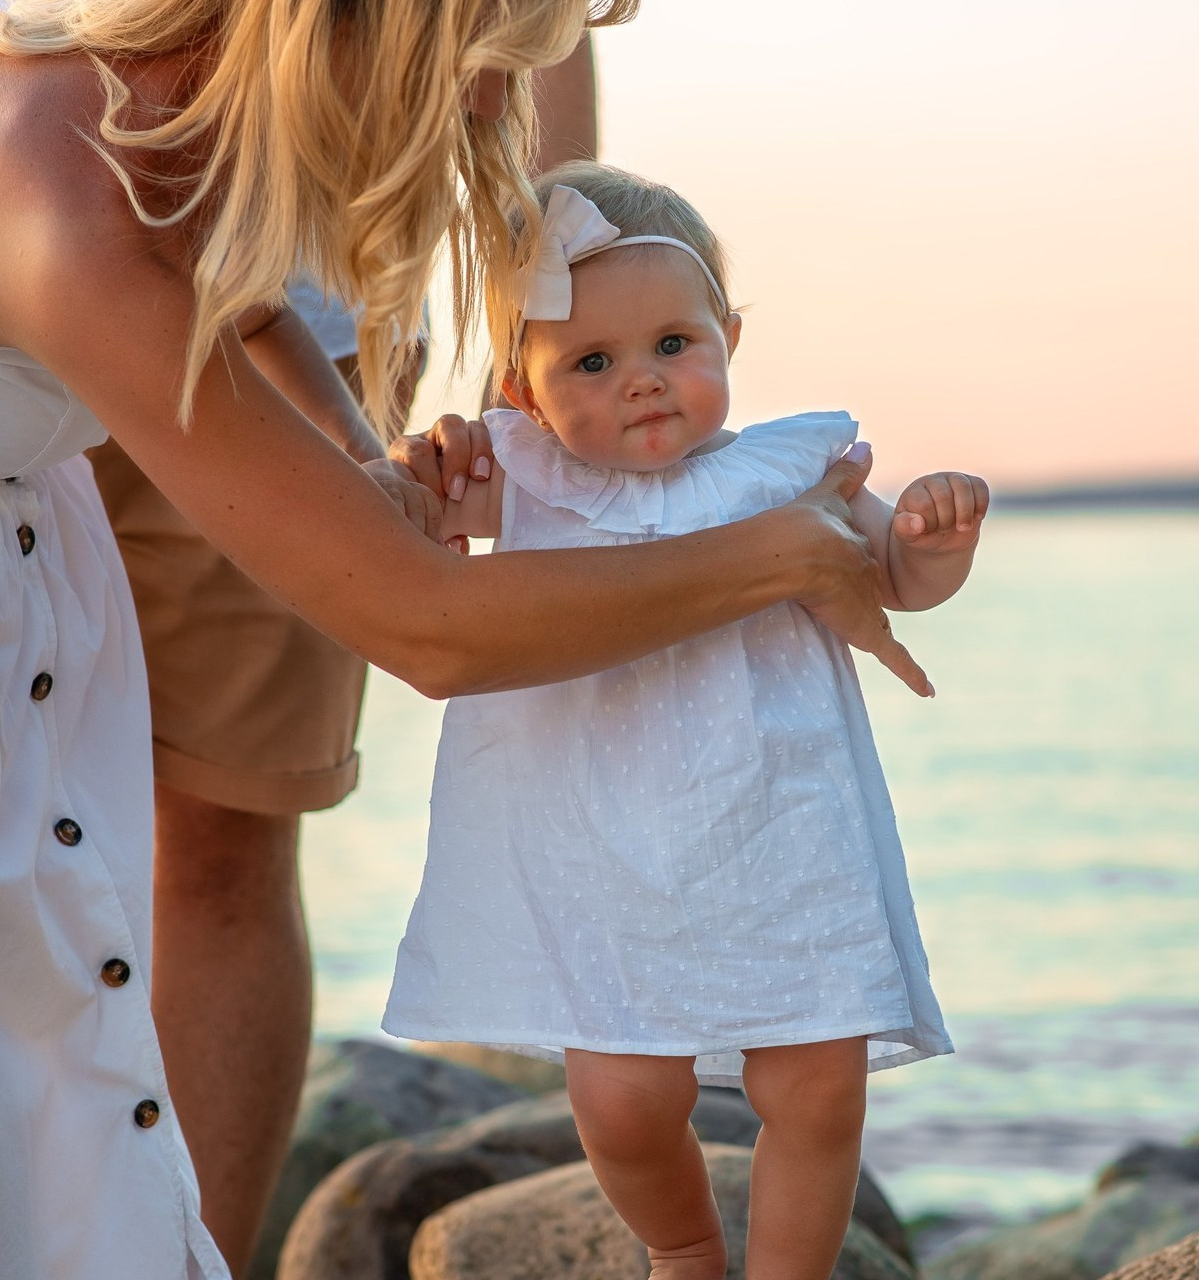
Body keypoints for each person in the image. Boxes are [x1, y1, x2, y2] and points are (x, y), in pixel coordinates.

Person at [0, 0, 936, 1272]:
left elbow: (240, 298)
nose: (488, 113)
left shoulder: (160, 116)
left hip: (12, 565)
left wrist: (360, 462)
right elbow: (429, 630)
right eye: (482, 67)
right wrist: (780, 553)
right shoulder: (61, 181)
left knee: (42, 1057)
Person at [383, 163, 989, 1280]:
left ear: (729, 338)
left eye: (673, 343)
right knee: (622, 1100)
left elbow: (894, 580)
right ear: (523, 389)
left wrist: (932, 540)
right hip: (594, 850)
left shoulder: (787, 468)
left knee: (816, 1084)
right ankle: (683, 1249)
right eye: (591, 362)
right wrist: (420, 469)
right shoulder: (524, 480)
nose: (643, 381)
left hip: (779, 831)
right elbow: (400, 534)